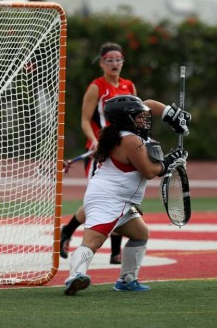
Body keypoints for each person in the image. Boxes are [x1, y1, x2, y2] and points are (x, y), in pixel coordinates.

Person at [60, 42, 191, 264]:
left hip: (126, 146)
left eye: (118, 59)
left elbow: (141, 112)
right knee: (104, 199)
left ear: (122, 62)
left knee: (123, 197)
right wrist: (93, 141)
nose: (114, 63)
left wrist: (169, 115)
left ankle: (113, 251)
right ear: (101, 63)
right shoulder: (96, 87)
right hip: (103, 149)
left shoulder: (128, 85)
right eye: (109, 59)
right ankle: (72, 231)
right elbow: (84, 120)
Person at [63, 95, 188, 295]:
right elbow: (148, 171)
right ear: (126, 119)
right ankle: (74, 277)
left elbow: (149, 104)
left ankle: (127, 280)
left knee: (140, 235)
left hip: (120, 200)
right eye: (137, 116)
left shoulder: (124, 132)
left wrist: (172, 116)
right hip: (108, 199)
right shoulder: (129, 140)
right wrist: (170, 161)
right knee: (92, 242)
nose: (143, 119)